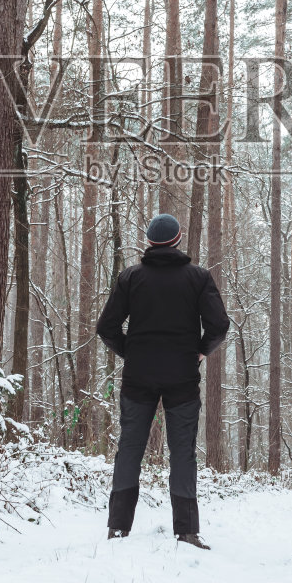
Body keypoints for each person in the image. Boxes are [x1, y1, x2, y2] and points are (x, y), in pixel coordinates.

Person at [96, 212, 230, 549]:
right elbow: (219, 326)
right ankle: (186, 531)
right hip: (182, 377)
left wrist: (131, 352)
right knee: (183, 452)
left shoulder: (130, 277)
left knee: (130, 448)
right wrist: (200, 351)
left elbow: (106, 327)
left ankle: (117, 529)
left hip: (138, 376)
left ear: (149, 242)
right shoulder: (198, 278)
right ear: (178, 239)